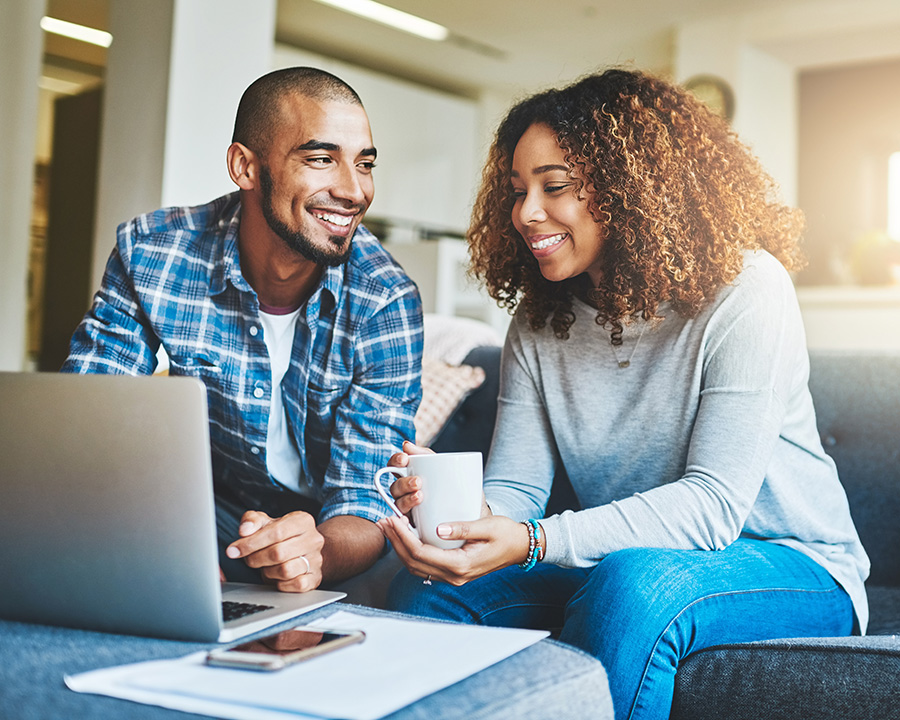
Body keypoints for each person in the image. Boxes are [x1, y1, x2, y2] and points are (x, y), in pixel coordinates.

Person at [378, 68, 869, 719]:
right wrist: (456, 518)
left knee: (637, 583)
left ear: (631, 188)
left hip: (795, 565)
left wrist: (532, 541)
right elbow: (517, 493)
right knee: (429, 594)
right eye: (517, 190)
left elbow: (711, 508)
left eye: (554, 187)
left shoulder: (747, 290)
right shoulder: (538, 318)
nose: (526, 213)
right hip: (626, 560)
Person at [63, 67, 423, 594]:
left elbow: (364, 503)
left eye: (364, 164)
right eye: (321, 159)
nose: (353, 190)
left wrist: (311, 551)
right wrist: (156, 533)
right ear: (245, 166)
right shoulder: (154, 253)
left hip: (330, 528)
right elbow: (88, 420)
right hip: (209, 508)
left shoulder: (384, 299)